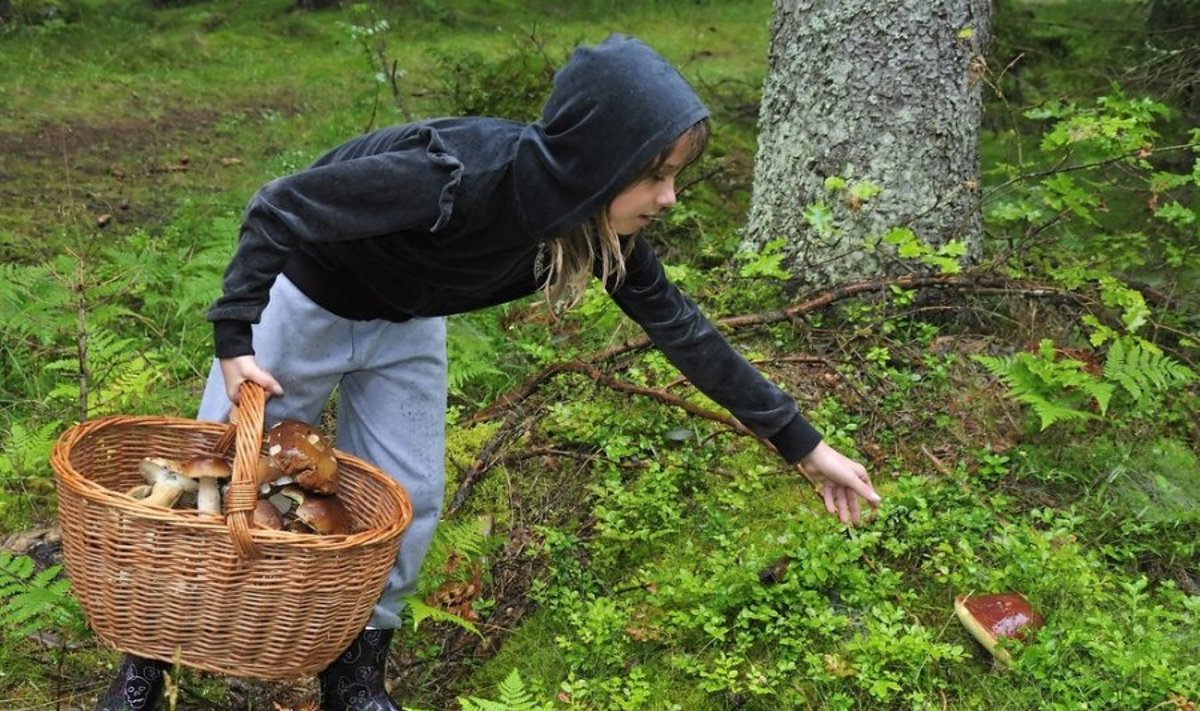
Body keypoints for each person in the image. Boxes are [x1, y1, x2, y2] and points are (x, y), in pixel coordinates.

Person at [94, 34, 881, 711]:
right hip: (311, 296)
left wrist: (803, 445)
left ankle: (355, 673)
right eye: (656, 175)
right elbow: (279, 206)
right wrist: (236, 338)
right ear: (599, 161)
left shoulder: (583, 226)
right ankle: (146, 663)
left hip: (408, 322)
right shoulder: (454, 176)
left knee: (413, 496)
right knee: (219, 476)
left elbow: (682, 328)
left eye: (674, 175)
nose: (668, 197)